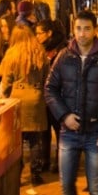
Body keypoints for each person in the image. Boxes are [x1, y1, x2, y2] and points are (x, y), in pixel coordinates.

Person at [44, 10, 98, 195]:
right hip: (69, 132)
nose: (82, 33)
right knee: (66, 187)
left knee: (96, 188)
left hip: (96, 132)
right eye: (78, 28)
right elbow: (49, 88)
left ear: (95, 30)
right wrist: (64, 115)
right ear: (73, 29)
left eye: (87, 29)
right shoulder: (64, 56)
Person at [0, 25, 49, 186]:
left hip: (17, 99)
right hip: (36, 98)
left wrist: (0, 99)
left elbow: (6, 82)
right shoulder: (40, 52)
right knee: (35, 140)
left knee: (17, 141)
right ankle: (35, 174)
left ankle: (17, 174)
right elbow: (46, 77)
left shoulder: (12, 54)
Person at [35, 19, 67, 172]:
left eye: (40, 33)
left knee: (59, 129)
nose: (37, 37)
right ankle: (44, 161)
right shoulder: (40, 48)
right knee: (44, 130)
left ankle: (59, 161)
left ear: (49, 33)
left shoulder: (61, 48)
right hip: (44, 94)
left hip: (58, 95)